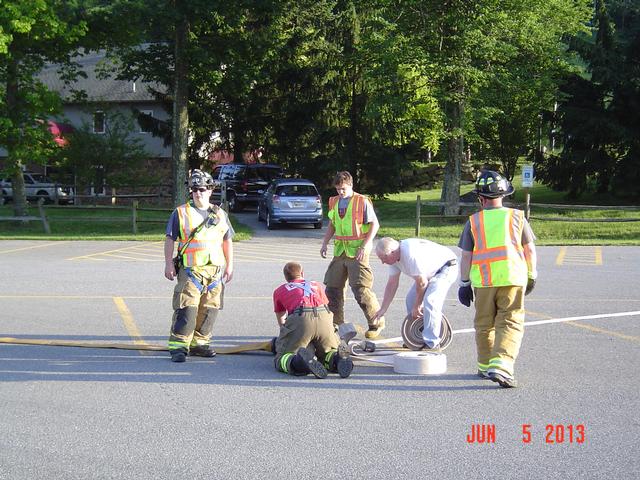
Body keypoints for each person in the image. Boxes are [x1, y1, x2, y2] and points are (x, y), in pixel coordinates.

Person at [457, 170, 537, 388]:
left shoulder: (473, 221)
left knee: (484, 324)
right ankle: (501, 365)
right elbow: (529, 249)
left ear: (481, 198)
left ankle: (485, 366)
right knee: (510, 322)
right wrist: (532, 274)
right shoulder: (517, 217)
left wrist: (464, 283)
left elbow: (466, 256)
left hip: (483, 283)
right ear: (504, 195)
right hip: (512, 278)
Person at [164, 169, 234, 363]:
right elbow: (170, 239)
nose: (198, 193)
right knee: (187, 308)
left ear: (210, 190)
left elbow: (227, 240)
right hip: (190, 271)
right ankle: (179, 347)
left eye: (202, 189)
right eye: (194, 189)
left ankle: (200, 344)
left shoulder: (220, 214)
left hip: (215, 272)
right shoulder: (180, 213)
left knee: (210, 309)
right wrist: (168, 263)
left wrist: (230, 266)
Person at [320, 171, 385, 339]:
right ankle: (337, 325)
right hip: (340, 250)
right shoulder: (334, 201)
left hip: (358, 250)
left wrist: (364, 246)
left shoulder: (361, 201)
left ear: (350, 185)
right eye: (338, 189)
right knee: (332, 289)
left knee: (360, 289)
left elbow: (374, 225)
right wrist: (325, 243)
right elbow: (332, 225)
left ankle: (376, 322)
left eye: (343, 189)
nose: (340, 192)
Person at [372, 237, 458, 350]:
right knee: (410, 300)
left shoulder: (409, 254)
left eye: (383, 258)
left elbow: (422, 284)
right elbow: (392, 284)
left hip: (446, 267)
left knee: (431, 300)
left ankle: (432, 344)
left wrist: (417, 306)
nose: (383, 262)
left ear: (392, 252)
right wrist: (383, 309)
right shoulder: (393, 258)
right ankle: (416, 338)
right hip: (428, 272)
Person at [272, 262, 353, 378]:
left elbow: (281, 316)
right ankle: (337, 359)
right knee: (327, 351)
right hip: (324, 316)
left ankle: (299, 363)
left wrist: (286, 333)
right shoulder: (315, 285)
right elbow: (326, 304)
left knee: (283, 357)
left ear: (286, 277)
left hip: (301, 318)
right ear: (302, 273)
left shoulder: (280, 290)